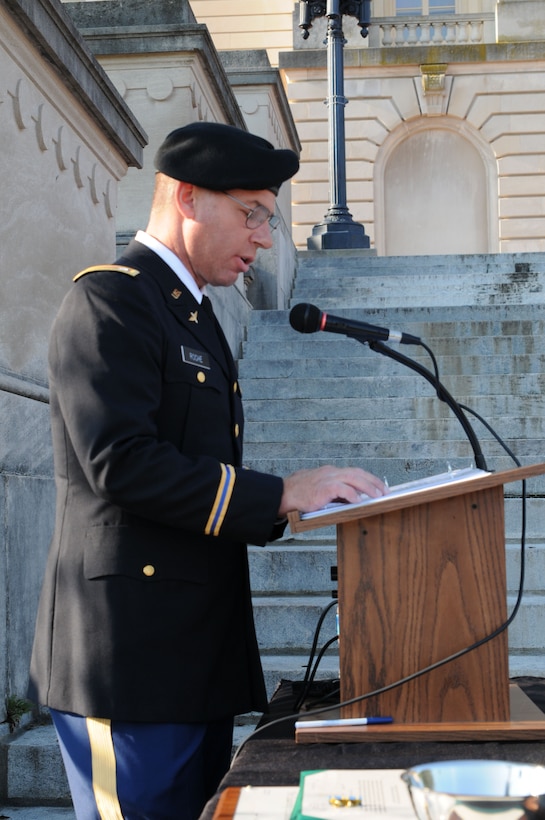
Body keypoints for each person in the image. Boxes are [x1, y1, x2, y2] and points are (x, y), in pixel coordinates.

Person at [28, 121, 387, 819]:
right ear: (187, 198)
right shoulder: (112, 300)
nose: (263, 237)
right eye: (251, 214)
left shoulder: (188, 311)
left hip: (190, 656)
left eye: (269, 220)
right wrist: (277, 492)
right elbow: (118, 461)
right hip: (127, 664)